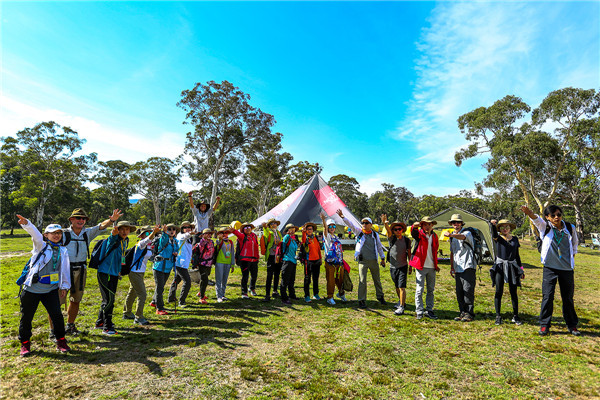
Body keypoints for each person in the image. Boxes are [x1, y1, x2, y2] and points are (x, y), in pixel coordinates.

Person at [59, 208, 122, 336]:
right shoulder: (63, 234)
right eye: (78, 218)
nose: (81, 221)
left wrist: (111, 220)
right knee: (57, 301)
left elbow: (100, 226)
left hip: (81, 269)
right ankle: (55, 330)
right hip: (64, 270)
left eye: (83, 219)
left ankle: (70, 326)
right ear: (71, 219)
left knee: (75, 299)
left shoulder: (87, 233)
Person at [521, 205, 580, 336]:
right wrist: (529, 212)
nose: (556, 217)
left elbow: (575, 244)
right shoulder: (545, 227)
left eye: (558, 214)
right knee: (547, 296)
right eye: (553, 215)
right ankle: (544, 325)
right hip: (550, 268)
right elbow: (536, 219)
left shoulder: (570, 228)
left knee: (568, 298)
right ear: (547, 217)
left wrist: (570, 259)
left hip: (566, 269)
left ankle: (572, 325)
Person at [16, 214, 71, 356]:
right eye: (53, 233)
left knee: (57, 316)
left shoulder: (63, 250)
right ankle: (25, 344)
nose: (56, 235)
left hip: (51, 290)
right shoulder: (41, 246)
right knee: (26, 317)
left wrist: (64, 286)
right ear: (46, 235)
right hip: (32, 290)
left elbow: (64, 270)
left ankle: (61, 341)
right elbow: (35, 234)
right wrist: (27, 223)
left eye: (59, 233)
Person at [337, 209, 386, 309]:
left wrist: (382, 258)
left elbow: (379, 247)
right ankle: (361, 300)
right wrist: (343, 217)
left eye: (366, 223)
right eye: (363, 223)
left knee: (377, 280)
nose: (364, 224)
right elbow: (350, 225)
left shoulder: (375, 235)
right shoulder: (359, 232)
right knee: (362, 281)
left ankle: (380, 297)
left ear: (371, 225)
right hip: (362, 261)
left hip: (373, 261)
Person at [95, 220, 137, 335]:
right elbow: (110, 241)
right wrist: (113, 234)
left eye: (127, 229)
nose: (124, 231)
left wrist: (119, 270)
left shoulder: (126, 240)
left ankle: (100, 322)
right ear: (117, 230)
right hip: (105, 272)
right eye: (121, 229)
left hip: (114, 273)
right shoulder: (114, 239)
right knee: (109, 300)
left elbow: (121, 256)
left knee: (108, 299)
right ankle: (107, 327)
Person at [490, 219, 524, 326]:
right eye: (502, 227)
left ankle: (515, 316)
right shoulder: (498, 238)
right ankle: (498, 316)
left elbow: (517, 255)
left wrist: (521, 269)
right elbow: (494, 234)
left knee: (513, 292)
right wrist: (492, 225)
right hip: (500, 266)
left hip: (512, 266)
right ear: (499, 229)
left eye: (507, 227)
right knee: (498, 290)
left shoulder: (515, 239)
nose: (505, 229)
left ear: (510, 228)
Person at [123, 225, 160, 326]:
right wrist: (153, 233)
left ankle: (127, 313)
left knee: (133, 292)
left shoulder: (148, 246)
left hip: (140, 272)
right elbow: (148, 239)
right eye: (147, 233)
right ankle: (139, 317)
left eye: (150, 232)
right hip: (135, 272)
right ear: (142, 235)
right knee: (142, 294)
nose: (150, 235)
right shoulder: (141, 244)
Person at [445, 214, 477, 322]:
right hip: (457, 267)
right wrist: (452, 267)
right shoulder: (452, 235)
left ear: (461, 224)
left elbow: (462, 237)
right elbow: (452, 252)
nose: (456, 224)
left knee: (468, 290)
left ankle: (469, 313)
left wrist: (451, 235)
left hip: (468, 266)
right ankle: (462, 312)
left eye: (458, 222)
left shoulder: (467, 232)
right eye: (454, 223)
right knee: (459, 291)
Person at [409, 216, 440, 320]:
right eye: (425, 224)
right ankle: (419, 310)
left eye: (429, 224)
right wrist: (414, 226)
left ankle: (429, 310)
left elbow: (435, 251)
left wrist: (436, 265)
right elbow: (413, 232)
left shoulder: (435, 236)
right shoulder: (419, 234)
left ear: (432, 226)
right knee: (420, 289)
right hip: (421, 266)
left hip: (431, 267)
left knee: (431, 289)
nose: (427, 226)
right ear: (422, 225)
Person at [380, 214, 411, 315]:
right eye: (396, 229)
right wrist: (385, 224)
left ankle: (401, 307)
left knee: (402, 287)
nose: (398, 231)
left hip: (403, 266)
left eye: (400, 229)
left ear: (402, 230)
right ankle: (401, 301)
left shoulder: (407, 240)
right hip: (393, 267)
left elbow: (409, 254)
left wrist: (410, 265)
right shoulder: (391, 239)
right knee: (397, 286)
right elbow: (388, 231)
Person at [150, 224, 179, 315]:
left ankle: (154, 302)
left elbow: (177, 250)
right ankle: (160, 308)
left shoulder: (175, 241)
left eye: (173, 229)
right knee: (160, 288)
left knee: (161, 286)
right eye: (169, 229)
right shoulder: (164, 239)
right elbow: (163, 240)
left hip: (168, 267)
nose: (171, 230)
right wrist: (164, 232)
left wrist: (176, 253)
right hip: (159, 266)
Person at [320, 212, 346, 305]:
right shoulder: (326, 236)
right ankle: (330, 297)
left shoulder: (335, 237)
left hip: (338, 262)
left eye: (333, 226)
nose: (331, 228)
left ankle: (341, 294)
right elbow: (325, 229)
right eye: (330, 226)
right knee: (330, 280)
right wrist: (323, 220)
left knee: (340, 279)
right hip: (330, 262)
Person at [168, 221, 195, 307]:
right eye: (185, 227)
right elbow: (185, 235)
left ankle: (171, 298)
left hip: (183, 262)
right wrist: (190, 232)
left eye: (189, 227)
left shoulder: (190, 238)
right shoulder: (180, 236)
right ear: (182, 229)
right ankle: (182, 301)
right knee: (187, 282)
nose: (187, 229)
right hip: (179, 263)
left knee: (176, 280)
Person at [232, 223, 259, 299]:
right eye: (245, 227)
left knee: (254, 275)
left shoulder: (254, 236)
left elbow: (256, 247)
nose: (248, 228)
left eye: (249, 227)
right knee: (245, 276)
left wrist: (257, 257)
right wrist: (233, 230)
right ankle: (244, 292)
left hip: (254, 259)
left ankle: (252, 288)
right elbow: (237, 234)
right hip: (244, 260)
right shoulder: (242, 236)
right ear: (243, 229)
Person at [260, 218, 283, 302]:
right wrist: (265, 227)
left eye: (275, 223)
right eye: (272, 223)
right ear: (269, 225)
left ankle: (275, 291)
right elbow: (265, 235)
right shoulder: (268, 232)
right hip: (271, 256)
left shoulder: (278, 233)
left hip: (278, 256)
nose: (274, 225)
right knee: (269, 275)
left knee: (277, 274)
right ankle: (267, 295)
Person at [191, 228, 216, 303]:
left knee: (205, 277)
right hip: (202, 263)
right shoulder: (202, 242)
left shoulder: (211, 242)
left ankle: (201, 292)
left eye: (210, 234)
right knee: (204, 279)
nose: (209, 235)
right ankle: (202, 297)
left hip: (209, 263)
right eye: (207, 233)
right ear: (203, 235)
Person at [301, 222, 322, 302]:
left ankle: (315, 294)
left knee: (315, 278)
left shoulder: (315, 237)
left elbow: (318, 249)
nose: (309, 230)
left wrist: (320, 258)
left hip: (316, 261)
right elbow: (303, 241)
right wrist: (303, 231)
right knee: (307, 279)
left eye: (311, 229)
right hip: (308, 261)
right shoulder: (305, 238)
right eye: (308, 229)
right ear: (305, 230)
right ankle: (306, 295)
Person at [279, 223, 300, 305]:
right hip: (287, 260)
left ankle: (292, 295)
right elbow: (283, 248)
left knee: (292, 279)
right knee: (285, 280)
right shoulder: (287, 237)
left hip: (293, 261)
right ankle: (284, 298)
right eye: (290, 229)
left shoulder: (293, 239)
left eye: (293, 229)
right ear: (287, 231)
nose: (292, 231)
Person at [214, 228, 235, 302]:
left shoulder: (231, 242)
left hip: (228, 263)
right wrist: (219, 238)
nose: (224, 234)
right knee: (219, 279)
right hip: (220, 262)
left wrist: (232, 265)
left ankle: (222, 295)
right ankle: (218, 296)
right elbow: (218, 243)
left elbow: (232, 253)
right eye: (222, 233)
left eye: (226, 232)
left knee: (225, 280)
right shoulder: (219, 241)